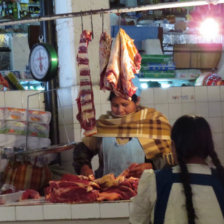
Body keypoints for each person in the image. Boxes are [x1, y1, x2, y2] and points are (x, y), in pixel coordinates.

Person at [129, 115, 224, 224]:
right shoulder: (220, 179)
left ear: (173, 146)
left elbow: (136, 221)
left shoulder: (154, 180)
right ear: (209, 147)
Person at [73, 76, 173, 178]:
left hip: (144, 188)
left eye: (125, 104)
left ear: (137, 101)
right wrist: (84, 167)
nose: (120, 110)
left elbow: (172, 156)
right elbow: (82, 150)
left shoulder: (153, 122)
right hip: (108, 189)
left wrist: (151, 165)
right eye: (115, 105)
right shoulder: (105, 124)